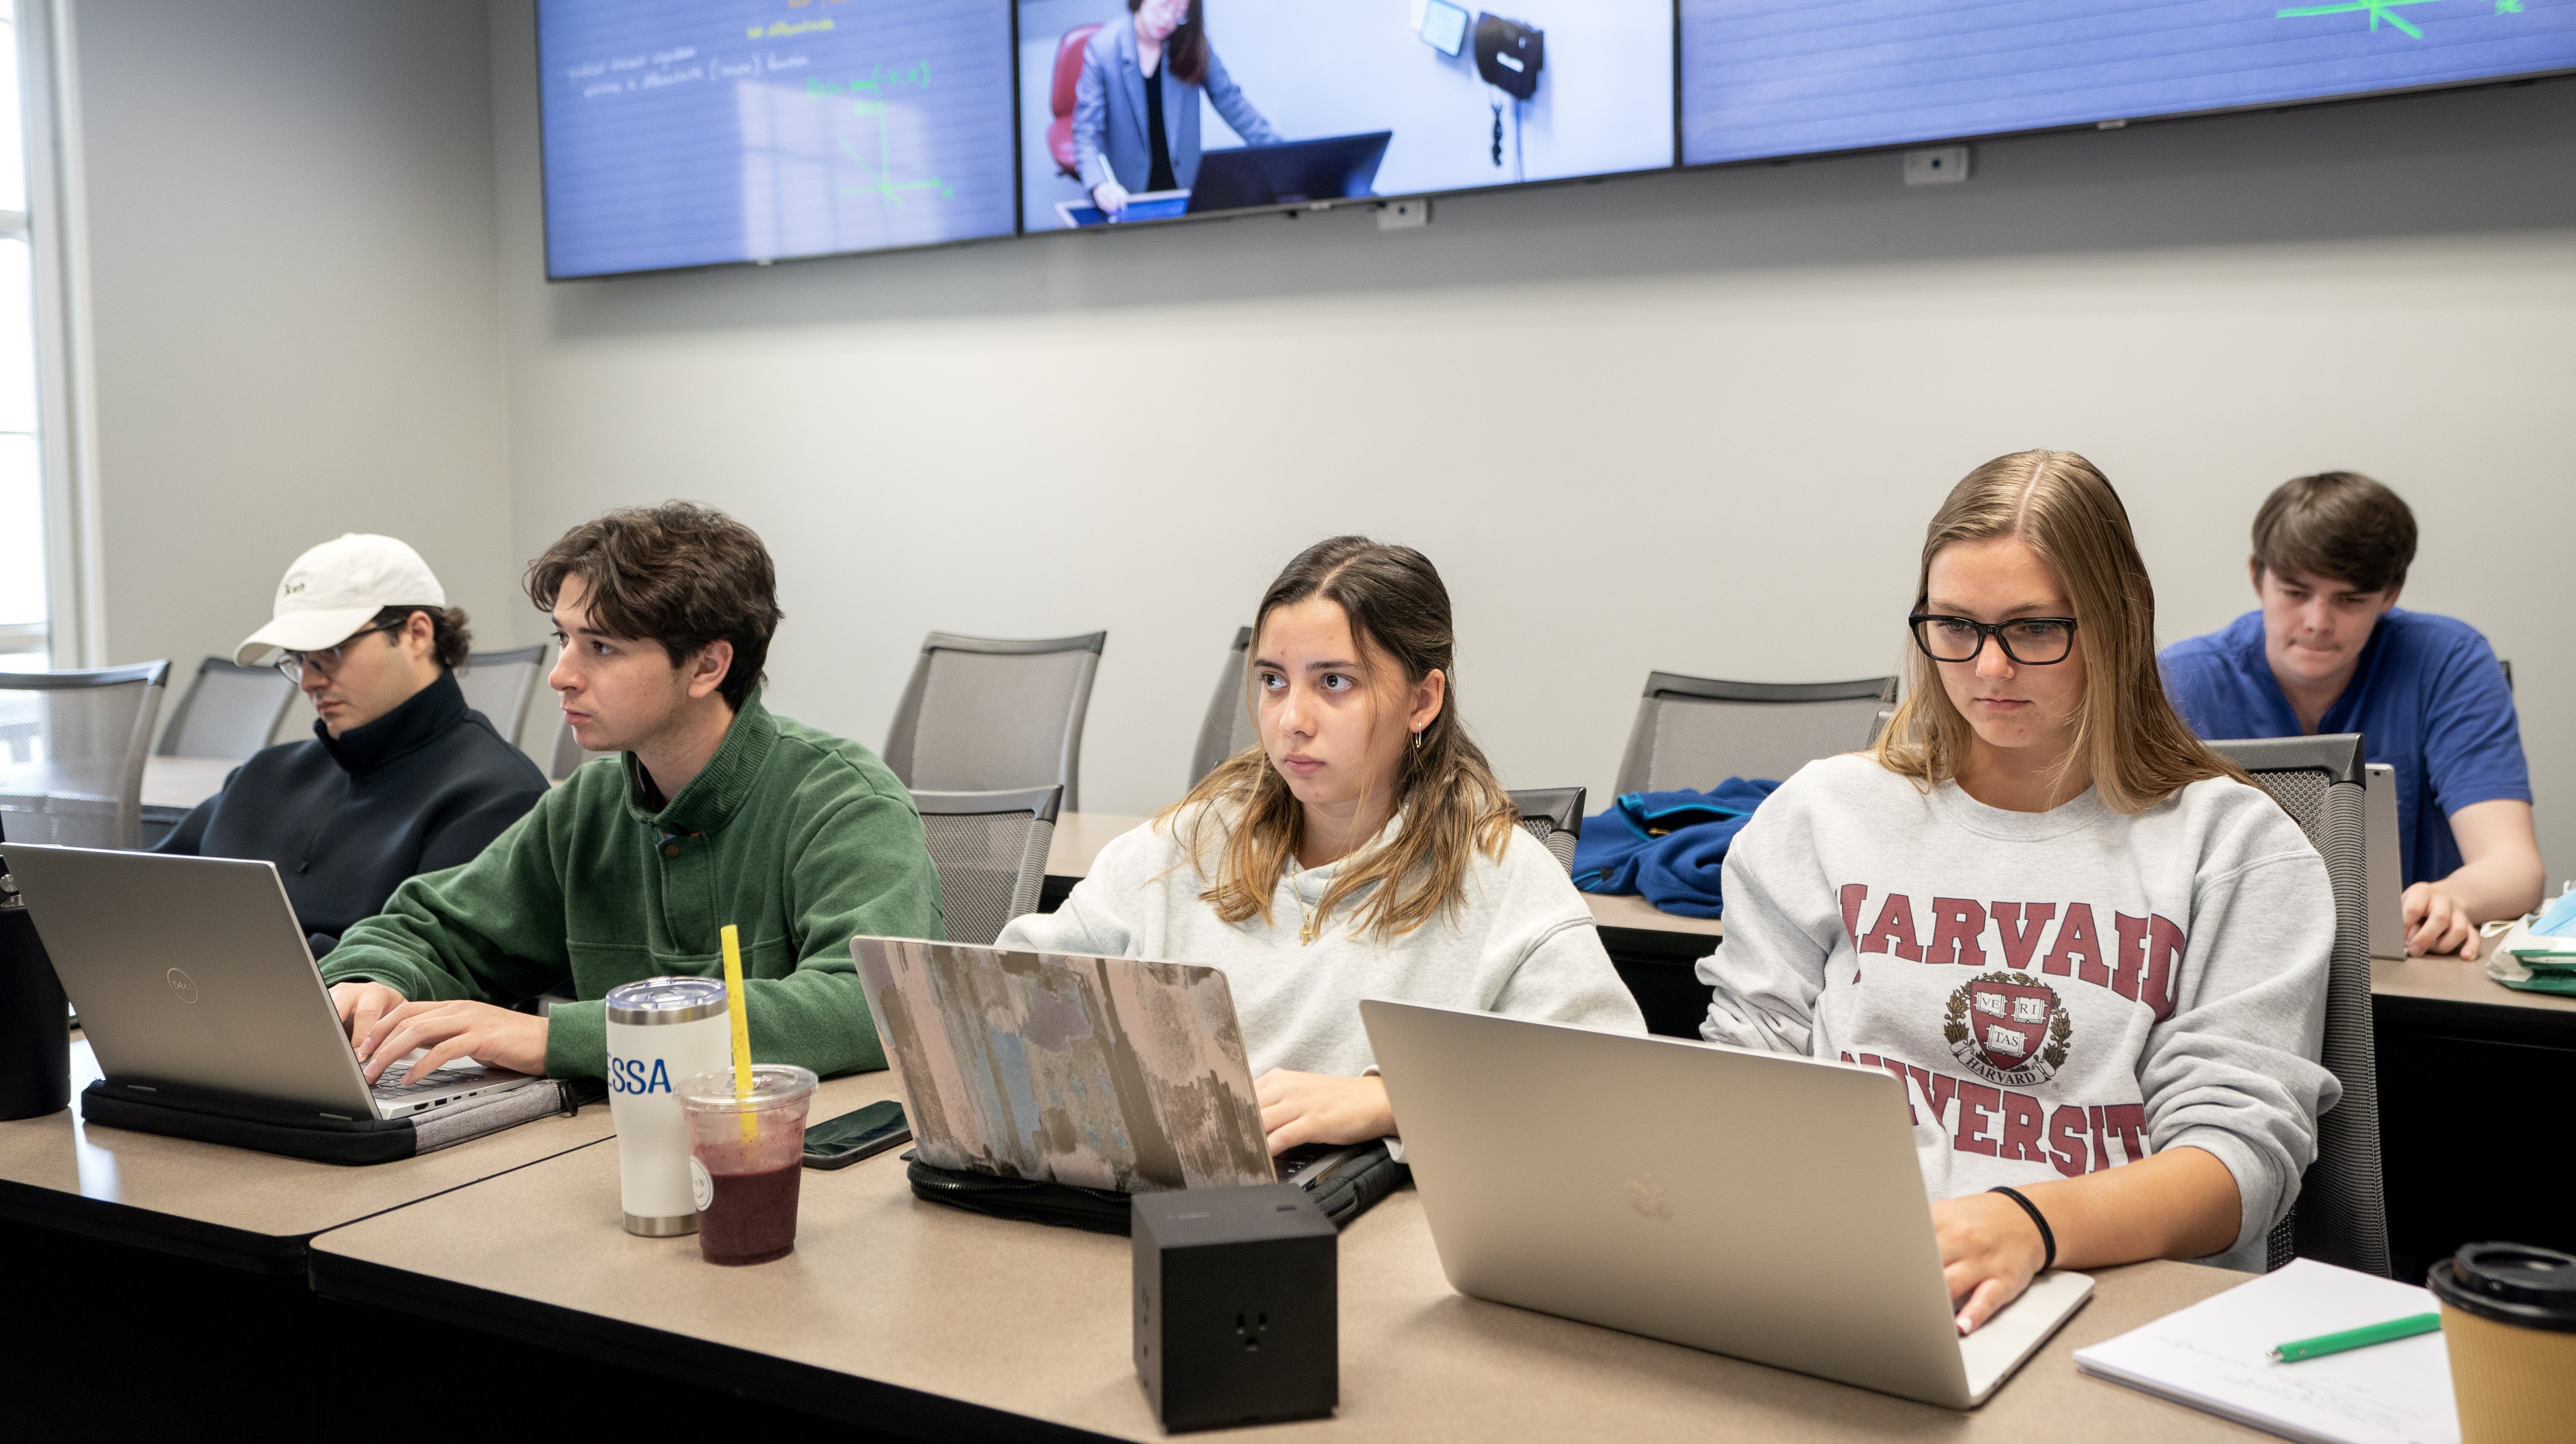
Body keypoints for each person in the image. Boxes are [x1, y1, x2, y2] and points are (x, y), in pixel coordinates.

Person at [1701, 451, 2338, 1333]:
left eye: (2034, 630)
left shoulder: (2234, 845)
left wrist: (2030, 1224)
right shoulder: (1824, 812)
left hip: (2117, 1297)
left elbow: (2239, 1162)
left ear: (2115, 622)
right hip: (1856, 1273)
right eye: (1955, 626)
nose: (1989, 669)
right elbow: (1743, 1074)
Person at [997, 536, 1644, 1154]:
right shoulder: (1186, 843)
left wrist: (1392, 1100)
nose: (1290, 719)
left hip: (1372, 1232)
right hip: (1157, 1201)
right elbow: (1003, 998)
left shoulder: (1501, 875)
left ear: (1423, 699)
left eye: (1334, 682)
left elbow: (1614, 1087)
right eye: (1274, 680)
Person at [319, 503, 944, 1086]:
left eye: (603, 647)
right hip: (612, 1151)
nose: (562, 673)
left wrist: (560, 1038)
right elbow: (435, 928)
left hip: (790, 1168)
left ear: (707, 666)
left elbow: (871, 1003)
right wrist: (369, 979)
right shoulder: (588, 806)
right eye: (563, 638)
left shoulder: (843, 798)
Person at [2161, 472, 2541, 959]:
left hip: (2405, 967)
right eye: (2295, 593)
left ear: (2390, 595)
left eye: (2350, 600)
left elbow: (2514, 865)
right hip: (2230, 962)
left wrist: (2452, 899)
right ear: (2258, 576)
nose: (2318, 622)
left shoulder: (2448, 662)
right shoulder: (2181, 680)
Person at [155, 534, 547, 956]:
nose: (308, 682)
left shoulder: (495, 797)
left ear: (417, 634)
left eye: (332, 651)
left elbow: (420, 973)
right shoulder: (262, 777)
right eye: (298, 659)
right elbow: (134, 895)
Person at [1075, 0, 1279, 217]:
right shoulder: (1104, 48)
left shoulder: (1190, 43)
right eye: (1163, 7)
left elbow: (1230, 100)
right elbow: (1086, 132)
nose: (1168, 20)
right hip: (1128, 194)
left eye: (1180, 13)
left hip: (1182, 186)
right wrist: (1099, 185)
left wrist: (1278, 152)